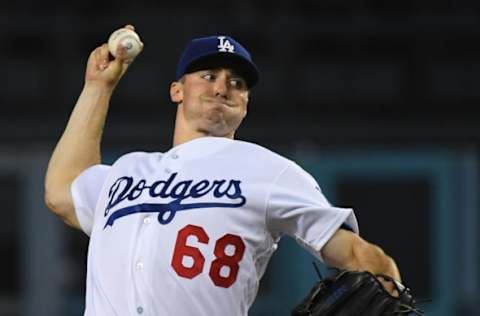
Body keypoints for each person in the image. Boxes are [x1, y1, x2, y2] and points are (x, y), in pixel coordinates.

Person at [44, 25, 401, 316]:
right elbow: (61, 191)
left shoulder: (270, 171)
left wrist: (388, 282)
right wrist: (97, 88)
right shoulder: (127, 170)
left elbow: (359, 257)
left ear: (245, 104)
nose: (222, 87)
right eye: (209, 74)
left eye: (237, 83)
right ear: (177, 91)